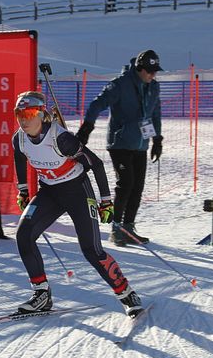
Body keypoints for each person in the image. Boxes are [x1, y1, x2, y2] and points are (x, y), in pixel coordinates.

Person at [12, 91, 143, 318]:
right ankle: (41, 295)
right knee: (23, 235)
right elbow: (19, 157)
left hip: (77, 192)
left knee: (91, 249)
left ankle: (126, 293)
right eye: (19, 114)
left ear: (42, 114)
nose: (24, 119)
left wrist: (105, 202)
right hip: (50, 191)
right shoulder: (19, 138)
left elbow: (97, 164)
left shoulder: (61, 139)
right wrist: (23, 190)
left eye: (29, 113)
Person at [76, 49, 163, 247]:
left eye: (155, 71)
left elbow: (155, 113)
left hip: (141, 143)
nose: (152, 75)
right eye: (149, 71)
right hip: (120, 143)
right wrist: (87, 126)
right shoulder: (120, 84)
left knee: (137, 187)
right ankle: (116, 229)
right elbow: (96, 104)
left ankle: (128, 228)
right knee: (126, 183)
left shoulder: (154, 87)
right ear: (140, 68)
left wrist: (157, 139)